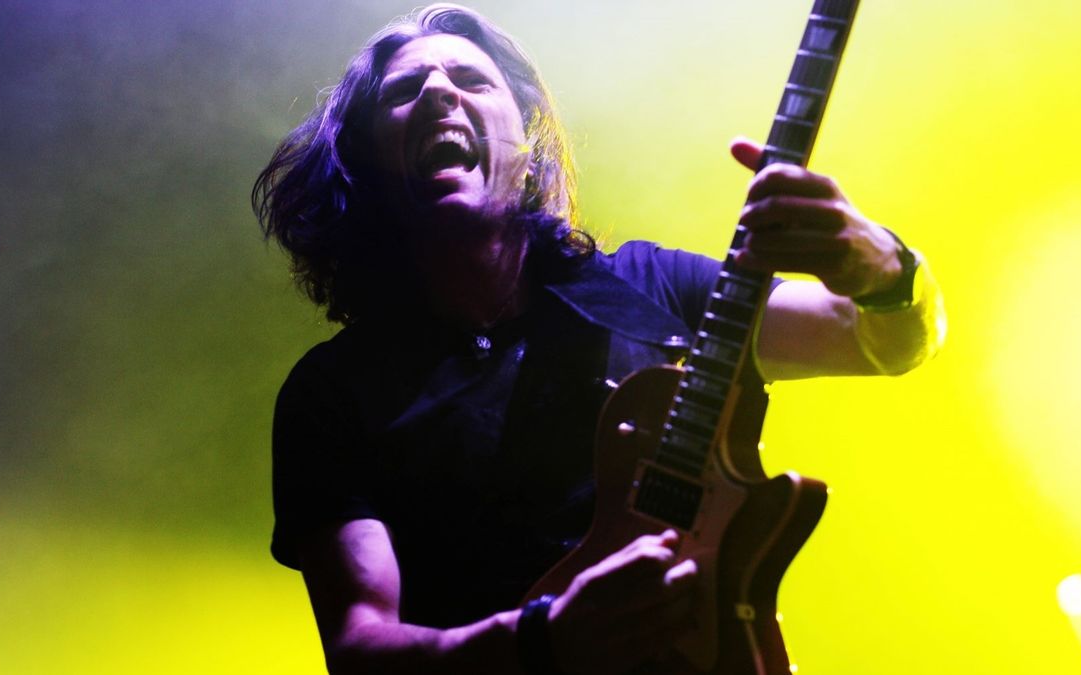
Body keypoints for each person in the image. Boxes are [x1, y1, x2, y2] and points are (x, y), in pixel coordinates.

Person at [252, 4, 944, 674]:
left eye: (472, 80)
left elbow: (884, 343)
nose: (438, 91)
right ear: (367, 165)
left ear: (528, 146)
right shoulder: (333, 394)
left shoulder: (653, 287)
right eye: (403, 90)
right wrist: (543, 642)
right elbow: (359, 648)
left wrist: (883, 267)